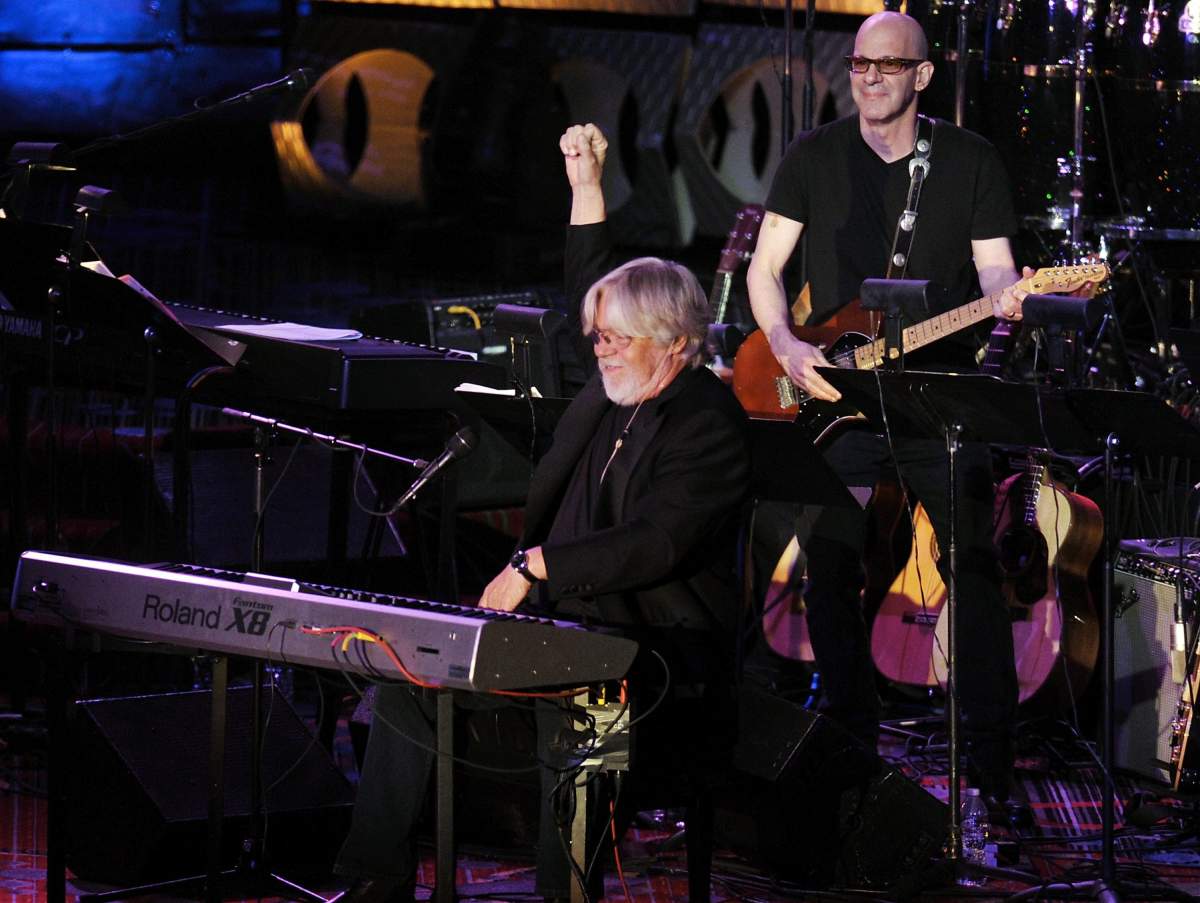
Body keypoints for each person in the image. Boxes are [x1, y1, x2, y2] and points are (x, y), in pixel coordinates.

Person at [335, 122, 749, 903]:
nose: (600, 348)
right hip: (568, 630)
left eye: (618, 338)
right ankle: (373, 883)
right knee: (407, 678)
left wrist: (536, 565)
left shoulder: (707, 422)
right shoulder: (615, 383)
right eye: (599, 336)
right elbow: (591, 279)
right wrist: (586, 186)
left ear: (671, 340)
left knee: (582, 711)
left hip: (655, 652)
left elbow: (656, 541)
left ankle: (568, 895)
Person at [745, 10, 1026, 805]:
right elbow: (765, 268)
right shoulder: (813, 156)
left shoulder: (971, 162)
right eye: (860, 64)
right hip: (840, 390)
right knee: (828, 565)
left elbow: (998, 268)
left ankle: (991, 775)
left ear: (922, 77)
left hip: (939, 397)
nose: (869, 78)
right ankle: (848, 750)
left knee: (972, 565)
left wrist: (1009, 299)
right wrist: (787, 343)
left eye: (887, 66)